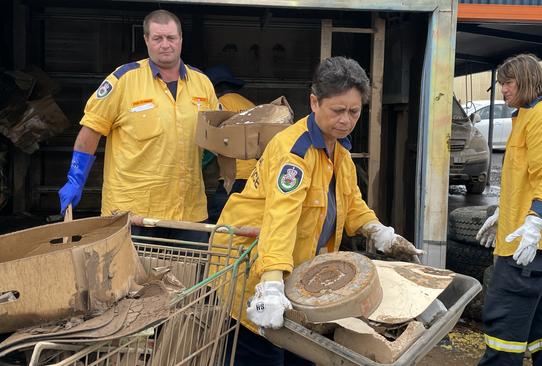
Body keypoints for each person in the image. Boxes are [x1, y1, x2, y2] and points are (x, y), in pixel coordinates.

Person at [213, 56, 423, 365]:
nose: (346, 120)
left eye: (354, 112)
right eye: (337, 110)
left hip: (298, 279)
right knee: (263, 357)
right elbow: (280, 219)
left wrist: (378, 232)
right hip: (254, 274)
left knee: (304, 355)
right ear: (314, 102)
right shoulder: (293, 153)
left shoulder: (339, 152)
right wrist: (270, 284)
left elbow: (351, 203)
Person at [57, 9, 218, 243]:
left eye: (171, 38)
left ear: (181, 39)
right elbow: (91, 130)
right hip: (134, 214)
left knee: (187, 278)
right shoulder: (123, 80)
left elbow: (217, 135)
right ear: (146, 40)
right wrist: (75, 178)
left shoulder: (202, 84)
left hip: (188, 213)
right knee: (131, 279)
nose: (165, 45)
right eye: (157, 38)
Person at [475, 54, 542, 366]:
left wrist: (535, 223)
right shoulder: (527, 115)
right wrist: (503, 212)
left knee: (504, 320)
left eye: (507, 83)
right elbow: (524, 177)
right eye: (500, 84)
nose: (503, 90)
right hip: (531, 237)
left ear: (525, 80)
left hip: (533, 242)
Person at [202, 64, 257, 222]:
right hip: (254, 174)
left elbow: (212, 140)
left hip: (232, 174)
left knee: (217, 220)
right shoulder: (249, 105)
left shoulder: (219, 104)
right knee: (241, 220)